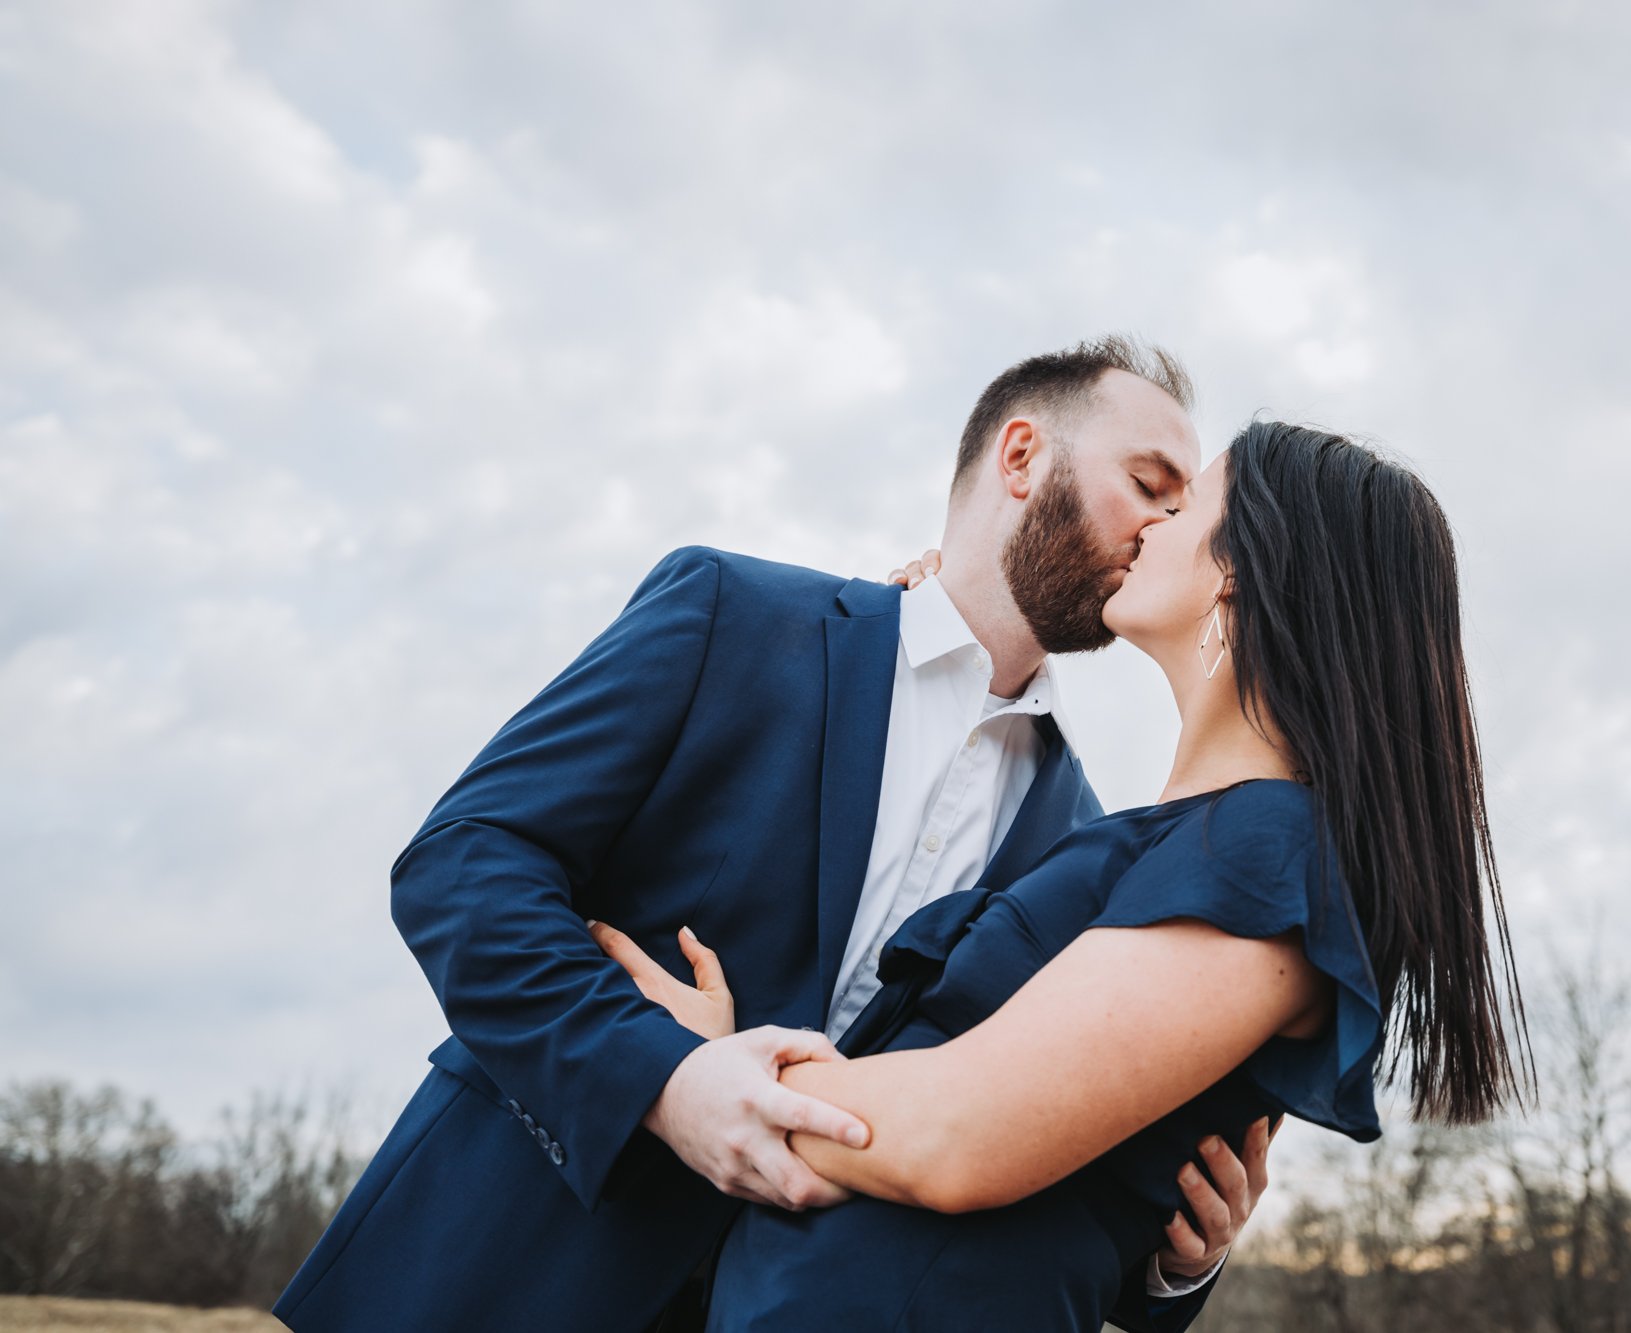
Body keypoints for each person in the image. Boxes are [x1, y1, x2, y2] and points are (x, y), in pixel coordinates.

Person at [275, 337, 1267, 1333]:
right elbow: (462, 862)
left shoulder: (1080, 839)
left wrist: (1175, 1267)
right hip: (498, 1267)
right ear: (1018, 458)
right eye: (1148, 485)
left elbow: (1011, 1128)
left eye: (1183, 510)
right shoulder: (730, 614)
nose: (1164, 527)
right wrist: (662, 1077)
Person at [591, 420, 1531, 1329]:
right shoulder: (1165, 840)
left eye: (1186, 502)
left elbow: (959, 1132)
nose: (1150, 524)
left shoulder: (1266, 855)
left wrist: (709, 1067)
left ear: (1244, 572)